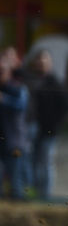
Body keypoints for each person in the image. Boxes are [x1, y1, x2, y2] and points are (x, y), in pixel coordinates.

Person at [25, 49, 68, 200]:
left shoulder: (55, 82)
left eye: (44, 60)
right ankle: (35, 192)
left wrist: (54, 124)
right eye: (38, 61)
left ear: (49, 63)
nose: (41, 63)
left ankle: (45, 195)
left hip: (48, 131)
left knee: (46, 163)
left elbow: (65, 106)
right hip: (33, 129)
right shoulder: (32, 80)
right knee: (33, 162)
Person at [0, 47, 31, 200]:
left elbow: (21, 105)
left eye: (2, 71)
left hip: (14, 143)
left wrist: (4, 99)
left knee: (16, 184)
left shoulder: (18, 89)